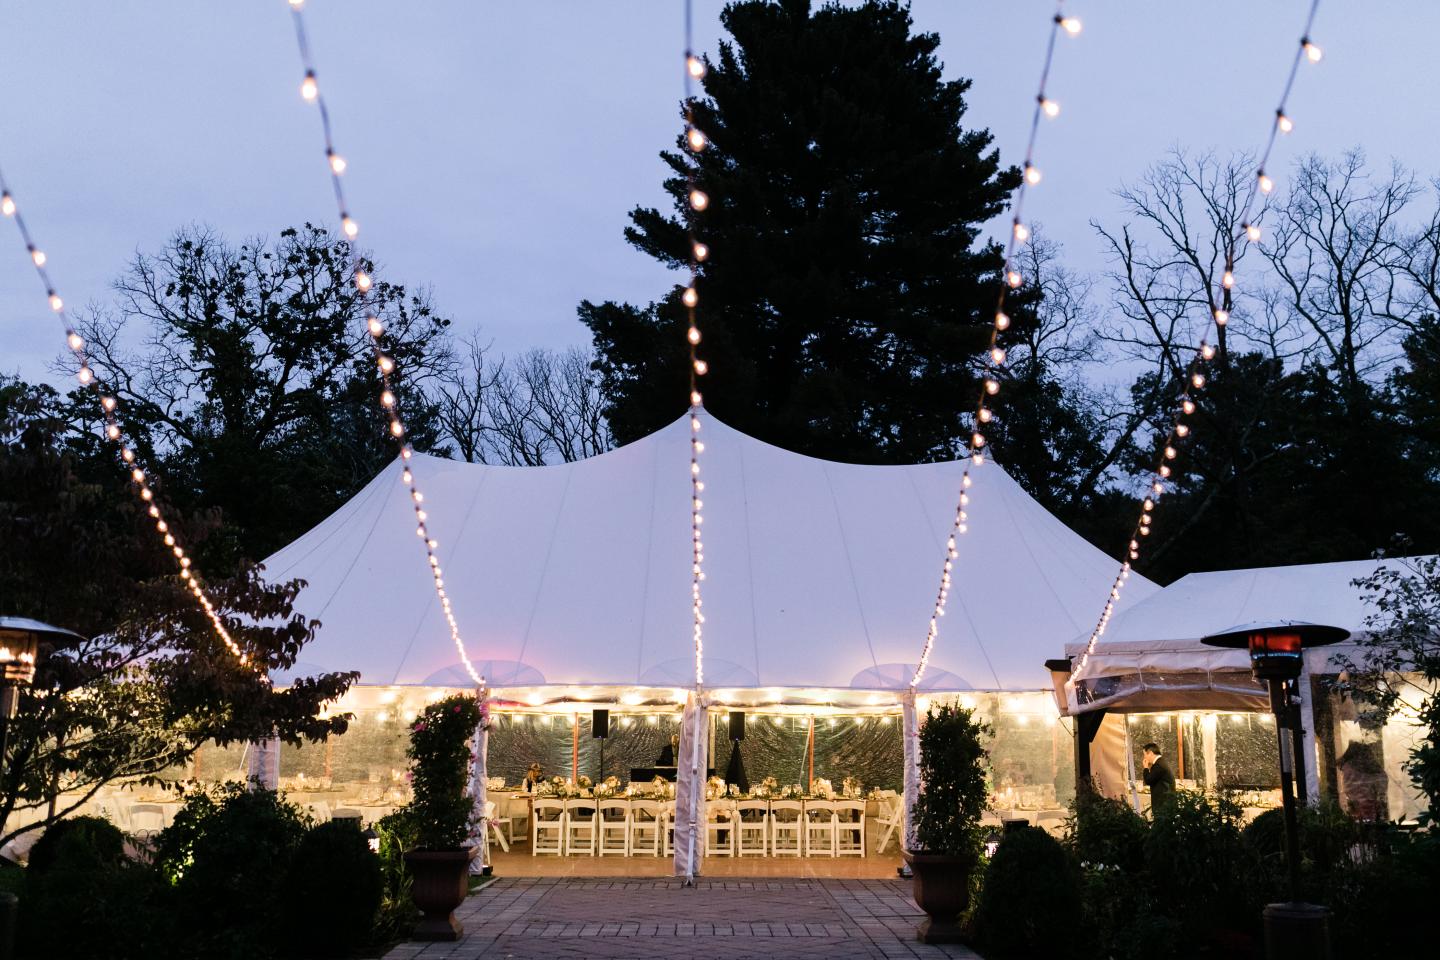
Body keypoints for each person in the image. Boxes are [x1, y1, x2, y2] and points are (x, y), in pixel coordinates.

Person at [1141, 742, 1175, 812]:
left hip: (1163, 805)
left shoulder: (1159, 765)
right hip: (1165, 804)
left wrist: (1146, 768)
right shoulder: (1161, 762)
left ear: (1150, 753)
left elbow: (1148, 780)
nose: (1144, 757)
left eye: (1144, 755)